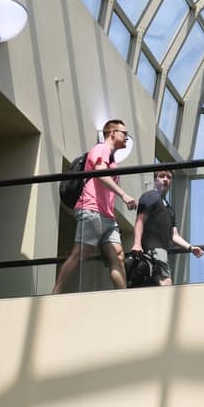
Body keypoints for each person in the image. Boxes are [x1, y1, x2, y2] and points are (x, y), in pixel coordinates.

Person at [52, 120, 137, 293]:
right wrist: (123, 194)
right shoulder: (101, 149)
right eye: (124, 133)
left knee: (119, 255)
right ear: (112, 133)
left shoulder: (112, 158)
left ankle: (125, 297)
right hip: (92, 209)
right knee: (80, 254)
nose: (127, 137)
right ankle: (55, 294)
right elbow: (100, 173)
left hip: (107, 216)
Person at [131, 170, 204, 285]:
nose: (165, 179)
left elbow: (174, 236)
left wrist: (190, 248)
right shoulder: (151, 196)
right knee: (166, 282)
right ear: (155, 180)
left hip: (161, 251)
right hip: (153, 249)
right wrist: (137, 244)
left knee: (156, 284)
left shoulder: (170, 209)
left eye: (169, 177)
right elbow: (140, 221)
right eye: (161, 176)